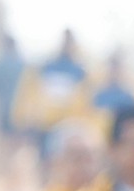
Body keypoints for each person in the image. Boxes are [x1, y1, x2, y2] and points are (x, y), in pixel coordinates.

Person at [11, 31, 89, 177]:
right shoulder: (47, 67)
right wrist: (25, 117)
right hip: (46, 122)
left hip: (70, 123)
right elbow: (32, 93)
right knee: (45, 159)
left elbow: (85, 99)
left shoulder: (80, 70)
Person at [0, 30, 30, 175]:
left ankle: (8, 173)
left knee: (5, 144)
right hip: (20, 112)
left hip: (3, 110)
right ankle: (16, 173)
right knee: (19, 144)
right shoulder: (23, 64)